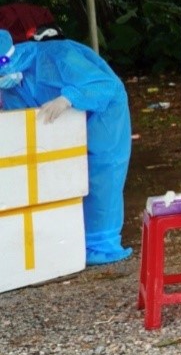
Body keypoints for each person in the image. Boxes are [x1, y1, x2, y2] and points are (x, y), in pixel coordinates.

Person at [0, 29, 132, 265]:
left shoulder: (56, 53)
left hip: (104, 116)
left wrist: (68, 97)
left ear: (8, 56)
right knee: (62, 178)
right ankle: (69, 241)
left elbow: (105, 85)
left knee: (102, 174)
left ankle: (102, 245)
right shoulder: (9, 84)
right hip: (65, 125)